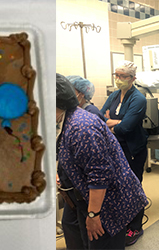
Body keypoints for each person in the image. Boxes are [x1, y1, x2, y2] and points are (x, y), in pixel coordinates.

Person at [57, 73, 148, 250]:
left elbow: (100, 174)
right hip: (84, 196)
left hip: (107, 203)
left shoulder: (82, 126)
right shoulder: (64, 121)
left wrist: (93, 214)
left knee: (103, 242)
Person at [100, 60, 148, 246]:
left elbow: (126, 128)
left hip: (132, 149)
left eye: (123, 76)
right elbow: (100, 116)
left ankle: (135, 227)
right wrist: (116, 123)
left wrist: (112, 122)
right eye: (116, 75)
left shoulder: (138, 99)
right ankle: (122, 221)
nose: (118, 79)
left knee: (133, 187)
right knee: (119, 188)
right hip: (115, 148)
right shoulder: (113, 95)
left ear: (133, 78)